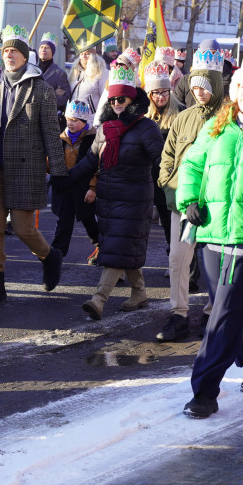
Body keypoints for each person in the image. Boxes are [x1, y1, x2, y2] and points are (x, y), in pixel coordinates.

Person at [178, 51, 243, 418]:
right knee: (229, 309)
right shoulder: (218, 125)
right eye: (240, 86)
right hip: (211, 229)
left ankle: (204, 391)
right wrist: (189, 199)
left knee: (221, 312)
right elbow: (192, 162)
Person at [0, 25, 67, 305]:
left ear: (26, 56)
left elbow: (51, 132)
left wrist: (59, 171)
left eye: (15, 50)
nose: (9, 55)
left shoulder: (42, 89)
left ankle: (50, 257)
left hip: (27, 170)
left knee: (25, 229)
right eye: (6, 50)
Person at [69, 59, 163, 319]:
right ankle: (140, 292)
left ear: (132, 100)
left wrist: (173, 190)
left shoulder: (147, 128)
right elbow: (91, 161)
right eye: (113, 100)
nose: (117, 104)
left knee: (115, 251)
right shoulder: (105, 130)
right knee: (122, 248)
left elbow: (161, 163)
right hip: (109, 200)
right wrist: (68, 178)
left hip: (135, 201)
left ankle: (98, 299)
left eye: (122, 99)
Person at [156, 39, 225, 342]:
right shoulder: (183, 117)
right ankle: (178, 314)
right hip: (181, 204)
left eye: (205, 86)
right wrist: (167, 184)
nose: (199, 92)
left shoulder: (230, 117)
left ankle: (213, 312)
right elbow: (168, 155)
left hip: (215, 206)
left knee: (215, 262)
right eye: (195, 86)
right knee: (178, 260)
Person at [50, 99, 100, 262]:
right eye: (68, 119)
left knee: (89, 220)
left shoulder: (93, 139)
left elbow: (98, 165)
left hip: (83, 188)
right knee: (63, 221)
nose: (70, 123)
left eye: (75, 120)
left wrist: (93, 188)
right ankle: (57, 253)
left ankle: (101, 247)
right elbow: (52, 163)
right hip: (65, 187)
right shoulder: (60, 138)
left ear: (84, 121)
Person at [145, 51, 182, 247]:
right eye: (156, 93)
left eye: (164, 92)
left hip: (172, 174)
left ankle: (174, 256)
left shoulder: (181, 111)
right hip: (150, 174)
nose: (160, 97)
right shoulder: (145, 116)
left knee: (170, 220)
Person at [67, 46, 109, 115]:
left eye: (87, 53)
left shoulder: (101, 72)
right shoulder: (74, 72)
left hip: (91, 118)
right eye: (81, 53)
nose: (84, 56)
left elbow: (105, 97)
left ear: (93, 55)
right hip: (74, 118)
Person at [38, 32, 70, 117]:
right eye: (41, 47)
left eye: (47, 47)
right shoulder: (33, 70)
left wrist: (49, 98)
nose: (43, 50)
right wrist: (53, 92)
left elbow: (65, 98)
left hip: (49, 116)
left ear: (52, 51)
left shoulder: (59, 74)